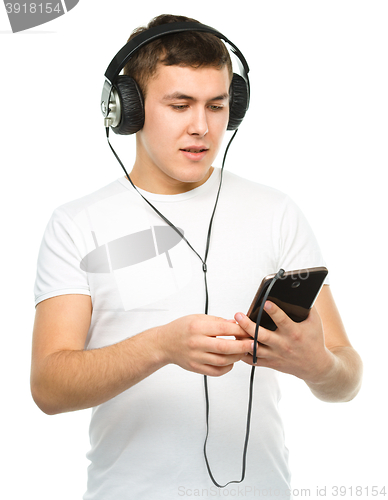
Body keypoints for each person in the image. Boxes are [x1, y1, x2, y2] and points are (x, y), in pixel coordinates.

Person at [31, 14, 363, 500]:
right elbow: (49, 388)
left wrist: (319, 366)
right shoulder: (76, 223)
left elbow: (347, 380)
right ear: (128, 109)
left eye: (217, 105)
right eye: (180, 104)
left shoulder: (277, 213)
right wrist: (161, 346)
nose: (202, 127)